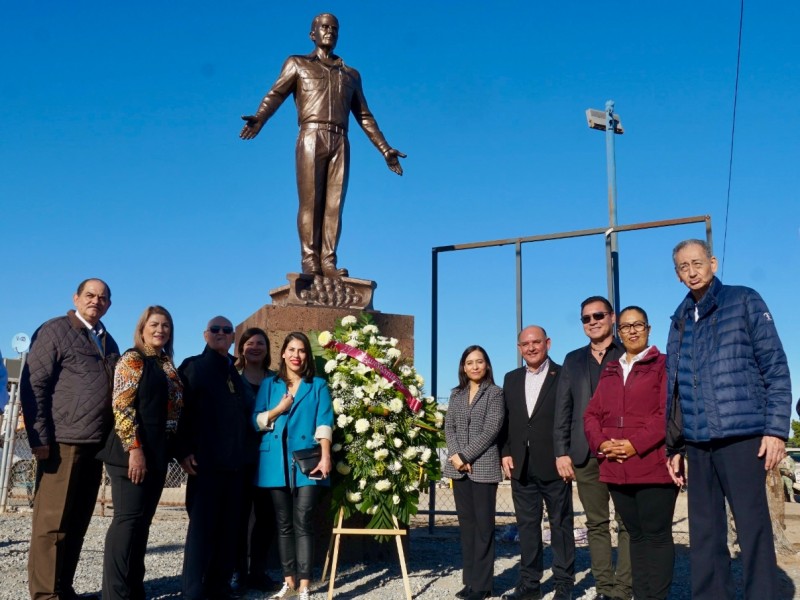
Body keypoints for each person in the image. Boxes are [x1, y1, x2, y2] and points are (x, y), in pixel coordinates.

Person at [665, 239, 792, 599]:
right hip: (697, 442)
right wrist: (674, 443)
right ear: (677, 274)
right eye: (683, 267)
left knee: (752, 527)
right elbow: (674, 386)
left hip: (742, 435)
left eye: (697, 263)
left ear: (713, 262)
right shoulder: (679, 318)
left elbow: (776, 367)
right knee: (704, 532)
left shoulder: (744, 300)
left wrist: (775, 429)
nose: (691, 271)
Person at [240, 13, 406, 278]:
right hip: (311, 135)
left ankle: (328, 261)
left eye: (335, 29)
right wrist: (260, 118)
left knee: (334, 206)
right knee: (311, 203)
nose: (330, 32)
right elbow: (276, 94)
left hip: (341, 139)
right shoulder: (297, 63)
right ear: (312, 34)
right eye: (324, 27)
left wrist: (385, 149)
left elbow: (364, 115)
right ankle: (310, 261)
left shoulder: (351, 75)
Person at [20, 278, 119, 600]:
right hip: (62, 441)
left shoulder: (109, 342)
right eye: (90, 295)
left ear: (109, 304)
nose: (96, 301)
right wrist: (39, 436)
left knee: (77, 522)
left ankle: (63, 586)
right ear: (76, 298)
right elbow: (34, 385)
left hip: (95, 444)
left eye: (103, 297)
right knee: (51, 525)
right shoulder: (54, 331)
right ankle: (45, 594)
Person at [584, 306, 678, 600]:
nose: (632, 331)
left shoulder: (663, 365)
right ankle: (641, 594)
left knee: (656, 536)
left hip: (651, 466)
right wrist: (601, 444)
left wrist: (634, 444)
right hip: (616, 467)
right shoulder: (611, 370)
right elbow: (591, 414)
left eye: (638, 325)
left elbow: (667, 414)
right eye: (625, 327)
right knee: (635, 536)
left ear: (649, 328)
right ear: (618, 332)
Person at [99, 306, 184, 600]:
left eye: (166, 326)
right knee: (128, 520)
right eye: (155, 324)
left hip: (158, 453)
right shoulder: (132, 359)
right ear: (142, 328)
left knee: (142, 523)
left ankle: (134, 588)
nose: (160, 330)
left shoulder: (166, 364)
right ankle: (114, 593)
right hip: (130, 452)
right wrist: (134, 449)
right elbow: (122, 406)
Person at [553, 296, 631, 600]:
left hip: (623, 452)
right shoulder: (573, 360)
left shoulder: (628, 352)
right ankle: (604, 587)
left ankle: (623, 589)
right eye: (586, 318)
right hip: (585, 453)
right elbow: (564, 409)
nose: (593, 321)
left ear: (612, 317)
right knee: (596, 524)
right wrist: (562, 451)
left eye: (598, 315)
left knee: (627, 523)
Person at [176, 316, 258, 600]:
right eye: (215, 330)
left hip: (233, 464)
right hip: (206, 463)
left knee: (227, 529)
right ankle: (194, 590)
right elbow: (180, 413)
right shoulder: (194, 367)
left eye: (226, 330)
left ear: (234, 337)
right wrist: (183, 450)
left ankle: (219, 585)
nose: (221, 334)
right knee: (202, 531)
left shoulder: (232, 370)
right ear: (205, 335)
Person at [253, 332, 333, 600]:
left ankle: (305, 585)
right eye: (292, 350)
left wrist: (325, 456)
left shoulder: (318, 385)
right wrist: (278, 409)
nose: (296, 355)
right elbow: (255, 421)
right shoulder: (269, 385)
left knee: (304, 520)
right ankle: (288, 582)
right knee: (284, 523)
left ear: (307, 356)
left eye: (302, 351)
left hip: (308, 462)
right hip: (274, 462)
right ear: (283, 354)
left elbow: (324, 421)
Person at [501, 326, 574, 600]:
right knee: (528, 527)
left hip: (555, 464)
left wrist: (566, 453)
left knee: (561, 525)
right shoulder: (511, 379)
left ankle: (564, 585)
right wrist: (505, 451)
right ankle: (530, 585)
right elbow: (505, 421)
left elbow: (571, 416)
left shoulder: (563, 375)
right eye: (525, 344)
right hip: (521, 465)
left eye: (536, 342)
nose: (531, 348)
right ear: (519, 348)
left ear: (548, 343)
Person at [443, 345, 505, 600]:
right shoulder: (456, 394)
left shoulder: (495, 393)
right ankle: (469, 580)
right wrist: (457, 457)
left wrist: (466, 455)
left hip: (484, 468)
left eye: (479, 362)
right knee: (467, 527)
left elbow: (492, 429)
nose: (475, 366)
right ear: (463, 367)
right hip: (459, 470)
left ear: (487, 365)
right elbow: (450, 427)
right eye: (470, 362)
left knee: (483, 528)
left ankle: (483, 585)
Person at [230, 327, 279, 595]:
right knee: (238, 517)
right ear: (242, 348)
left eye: (261, 343)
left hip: (269, 456)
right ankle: (238, 572)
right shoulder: (232, 378)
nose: (255, 347)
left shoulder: (275, 380)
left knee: (266, 517)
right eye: (250, 343)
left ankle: (258, 571)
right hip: (239, 455)